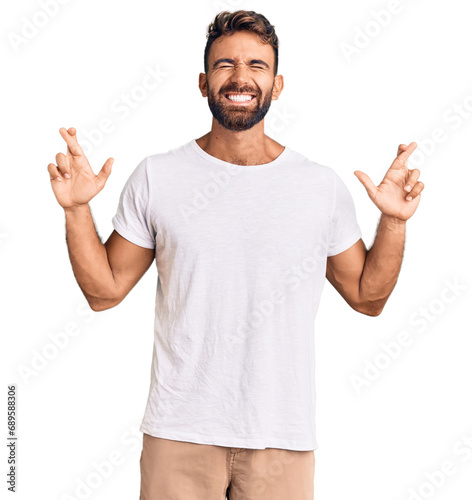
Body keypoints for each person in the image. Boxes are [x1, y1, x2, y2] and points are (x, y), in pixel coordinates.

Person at [47, 9, 424, 500]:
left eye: (256, 66)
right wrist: (77, 210)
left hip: (281, 438)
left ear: (278, 84)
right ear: (203, 83)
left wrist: (393, 221)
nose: (240, 78)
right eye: (225, 66)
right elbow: (103, 292)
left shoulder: (318, 187)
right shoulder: (159, 177)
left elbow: (367, 297)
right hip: (178, 431)